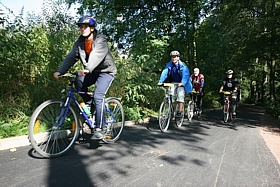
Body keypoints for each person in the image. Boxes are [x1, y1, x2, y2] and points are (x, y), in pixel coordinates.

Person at [53, 16, 117, 140]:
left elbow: (96, 55)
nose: (82, 29)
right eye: (81, 27)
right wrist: (61, 71)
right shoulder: (79, 43)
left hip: (106, 71)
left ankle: (100, 128)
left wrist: (87, 68)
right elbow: (71, 57)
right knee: (78, 80)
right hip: (91, 70)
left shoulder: (101, 40)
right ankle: (88, 103)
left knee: (99, 96)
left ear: (92, 28)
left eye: (85, 27)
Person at [157, 50, 192, 117]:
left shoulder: (183, 66)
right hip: (173, 82)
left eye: (175, 57)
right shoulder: (169, 64)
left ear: (178, 58)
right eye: (172, 57)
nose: (174, 58)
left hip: (181, 83)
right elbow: (165, 72)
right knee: (171, 95)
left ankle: (179, 111)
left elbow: (186, 75)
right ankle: (171, 109)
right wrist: (160, 81)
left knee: (180, 96)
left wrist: (182, 83)